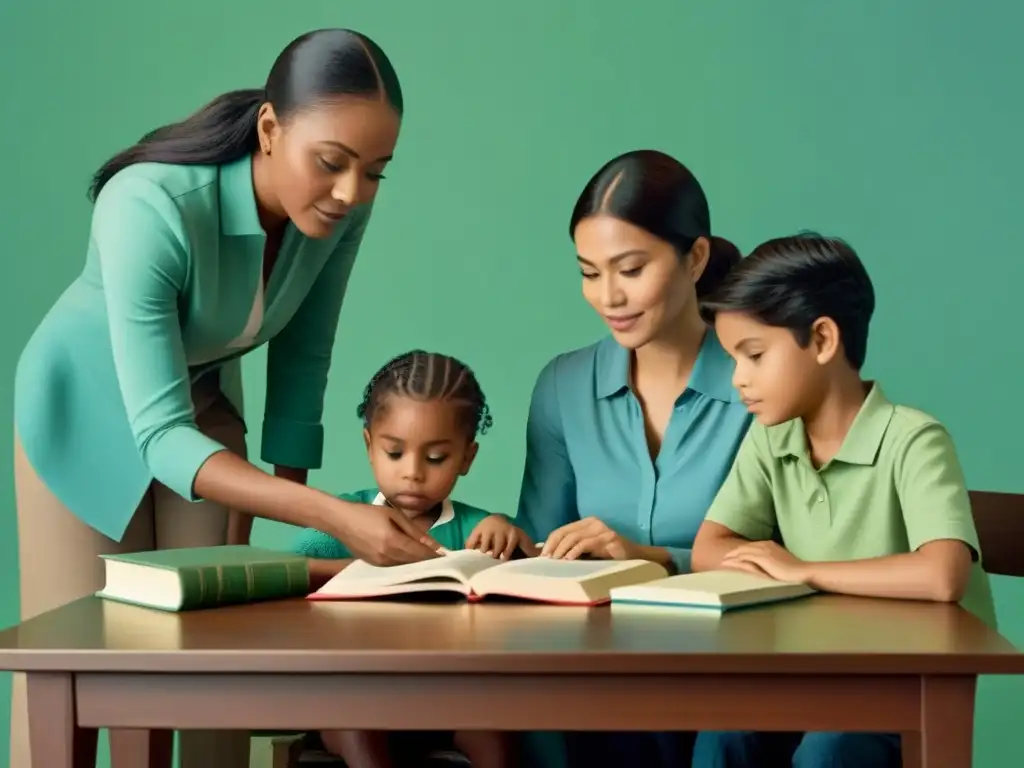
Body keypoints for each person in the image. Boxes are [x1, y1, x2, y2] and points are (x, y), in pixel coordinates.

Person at [10, 28, 443, 768]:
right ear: (271, 130)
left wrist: (295, 514)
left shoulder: (342, 208)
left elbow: (307, 351)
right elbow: (160, 435)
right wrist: (336, 516)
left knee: (213, 663)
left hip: (201, 403)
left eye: (376, 171)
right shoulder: (146, 203)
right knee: (77, 667)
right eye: (331, 164)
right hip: (82, 414)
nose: (351, 193)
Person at [689, 233, 997, 768]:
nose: (739, 380)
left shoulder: (913, 439)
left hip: (904, 692)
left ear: (823, 339)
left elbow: (943, 576)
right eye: (732, 359)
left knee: (828, 752)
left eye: (754, 355)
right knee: (723, 732)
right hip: (808, 677)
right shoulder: (771, 438)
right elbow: (708, 548)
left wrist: (803, 571)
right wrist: (785, 570)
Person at [514, 149, 751, 768]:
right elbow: (542, 550)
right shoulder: (562, 387)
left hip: (740, 671)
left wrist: (653, 562)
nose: (608, 296)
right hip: (599, 675)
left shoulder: (761, 386)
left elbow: (795, 561)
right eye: (589, 272)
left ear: (694, 258)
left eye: (631, 268)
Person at [291, 350, 527, 768]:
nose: (413, 472)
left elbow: (534, 572)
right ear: (369, 446)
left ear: (467, 458)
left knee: (495, 729)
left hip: (450, 697)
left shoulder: (476, 529)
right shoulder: (344, 524)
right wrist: (368, 572)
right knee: (352, 726)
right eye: (395, 453)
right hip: (357, 696)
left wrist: (508, 534)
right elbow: (282, 573)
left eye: (436, 458)